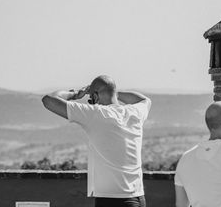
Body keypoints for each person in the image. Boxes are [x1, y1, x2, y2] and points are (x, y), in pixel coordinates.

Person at [42, 75, 151, 207]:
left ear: (95, 96)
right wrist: (113, 92)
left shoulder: (97, 114)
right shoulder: (135, 112)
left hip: (112, 200)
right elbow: (144, 100)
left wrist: (75, 94)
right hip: (138, 198)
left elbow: (49, 100)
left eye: (91, 100)